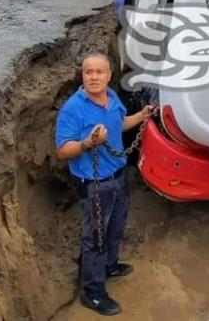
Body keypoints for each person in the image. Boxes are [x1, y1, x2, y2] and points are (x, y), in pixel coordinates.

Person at [55, 53, 156, 316]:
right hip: (94, 183)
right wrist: (88, 143)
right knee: (95, 238)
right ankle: (93, 291)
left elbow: (118, 124)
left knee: (115, 227)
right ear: (82, 76)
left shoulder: (111, 98)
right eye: (89, 72)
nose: (94, 77)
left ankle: (109, 265)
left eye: (100, 72)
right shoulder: (73, 108)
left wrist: (141, 116)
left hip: (118, 177)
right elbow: (62, 150)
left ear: (109, 75)